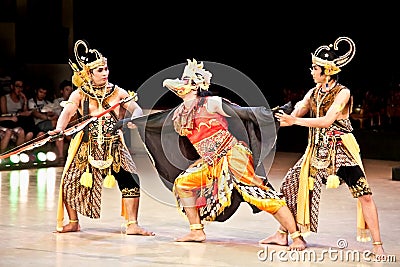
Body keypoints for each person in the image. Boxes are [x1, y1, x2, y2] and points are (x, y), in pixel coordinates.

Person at [129, 59, 306, 250]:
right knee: (183, 184)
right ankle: (197, 230)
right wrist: (136, 123)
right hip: (210, 162)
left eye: (186, 80)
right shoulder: (179, 112)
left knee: (259, 195)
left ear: (196, 86)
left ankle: (296, 237)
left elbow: (244, 113)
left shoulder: (211, 103)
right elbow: (157, 122)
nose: (181, 83)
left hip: (233, 156)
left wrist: (273, 116)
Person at [262, 37, 385, 256]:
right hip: (316, 151)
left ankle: (378, 245)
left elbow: (327, 121)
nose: (311, 71)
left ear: (327, 71)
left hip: (341, 151)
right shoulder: (313, 92)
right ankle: (284, 234)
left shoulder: (343, 93)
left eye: (315, 68)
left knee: (364, 194)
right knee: (290, 184)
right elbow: (297, 111)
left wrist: (295, 122)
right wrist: (271, 118)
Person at [49, 39, 154, 236]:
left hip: (114, 145)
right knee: (70, 182)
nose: (105, 73)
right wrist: (59, 129)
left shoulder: (118, 92)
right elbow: (69, 111)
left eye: (106, 69)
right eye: (100, 70)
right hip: (86, 146)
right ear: (89, 73)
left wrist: (136, 120)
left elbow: (136, 108)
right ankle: (73, 222)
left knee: (130, 180)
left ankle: (132, 224)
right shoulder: (79, 94)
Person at [0, 77, 34, 143]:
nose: (20, 89)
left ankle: (29, 136)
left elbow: (25, 113)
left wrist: (25, 100)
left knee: (29, 119)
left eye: (21, 87)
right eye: (17, 86)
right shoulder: (4, 98)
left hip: (18, 120)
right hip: (8, 120)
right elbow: (4, 114)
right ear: (12, 87)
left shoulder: (21, 99)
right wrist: (19, 114)